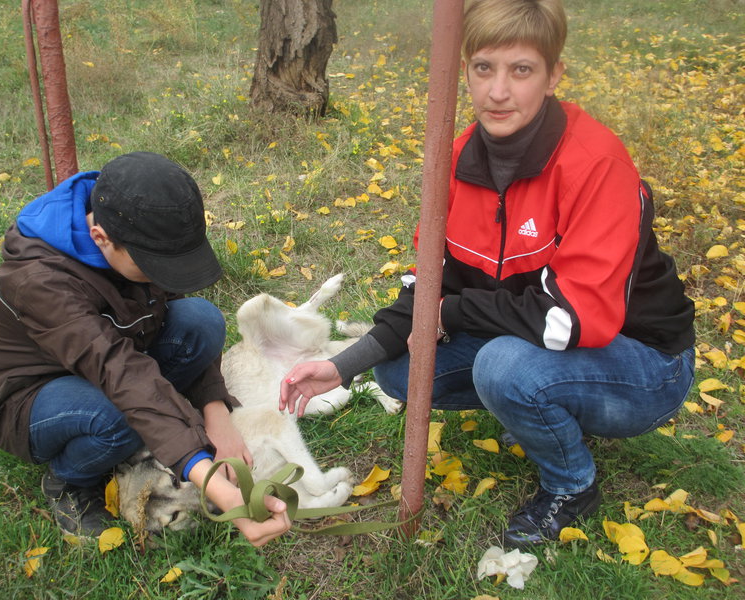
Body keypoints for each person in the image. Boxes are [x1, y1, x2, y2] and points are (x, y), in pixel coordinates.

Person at [280, 0, 695, 549]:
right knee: (400, 373)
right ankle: (537, 404)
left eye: (520, 70)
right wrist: (343, 365)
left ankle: (572, 485)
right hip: (539, 334)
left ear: (553, 77)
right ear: (466, 72)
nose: (498, 91)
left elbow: (573, 322)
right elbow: (431, 286)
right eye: (483, 68)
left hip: (643, 362)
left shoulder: (596, 164)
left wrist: (449, 313)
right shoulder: (456, 161)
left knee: (506, 368)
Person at [0, 152, 290, 546]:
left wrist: (216, 415)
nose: (164, 279)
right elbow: (120, 374)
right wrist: (217, 486)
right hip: (33, 397)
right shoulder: (39, 280)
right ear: (100, 239)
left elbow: (161, 328)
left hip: (120, 358)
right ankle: (68, 480)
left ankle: (163, 429)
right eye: (154, 269)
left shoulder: (138, 219)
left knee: (201, 319)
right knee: (118, 414)